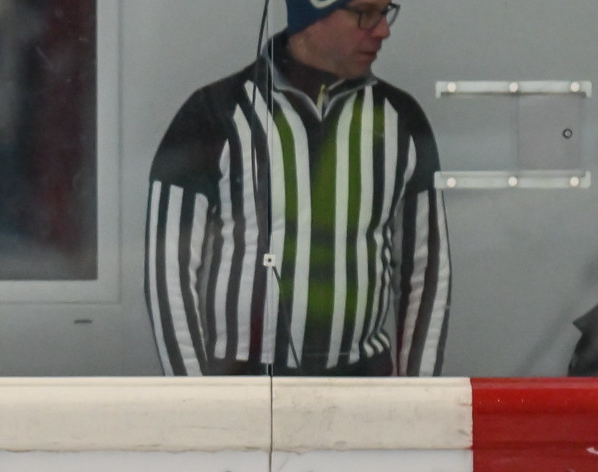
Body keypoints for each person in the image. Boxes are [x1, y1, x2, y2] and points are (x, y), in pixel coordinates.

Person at [147, 0, 450, 377]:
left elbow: (427, 270)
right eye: (365, 13)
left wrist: (418, 400)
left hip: (364, 386)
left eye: (385, 12)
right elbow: (168, 274)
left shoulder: (400, 118)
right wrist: (197, 404)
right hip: (242, 385)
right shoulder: (215, 113)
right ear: (312, 17)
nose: (382, 30)